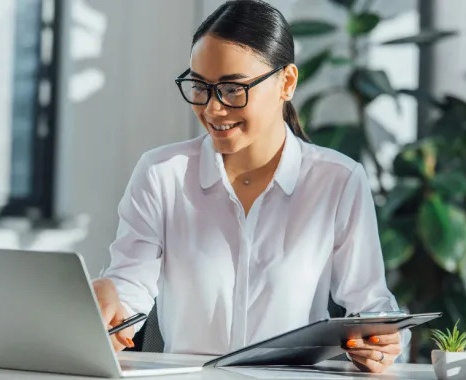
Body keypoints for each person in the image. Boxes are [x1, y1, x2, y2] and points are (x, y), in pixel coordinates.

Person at [93, 0, 407, 373]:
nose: (213, 109)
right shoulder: (162, 173)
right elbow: (129, 287)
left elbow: (370, 305)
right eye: (200, 87)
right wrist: (109, 305)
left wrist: (381, 342)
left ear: (286, 82)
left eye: (232, 89)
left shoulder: (337, 180)